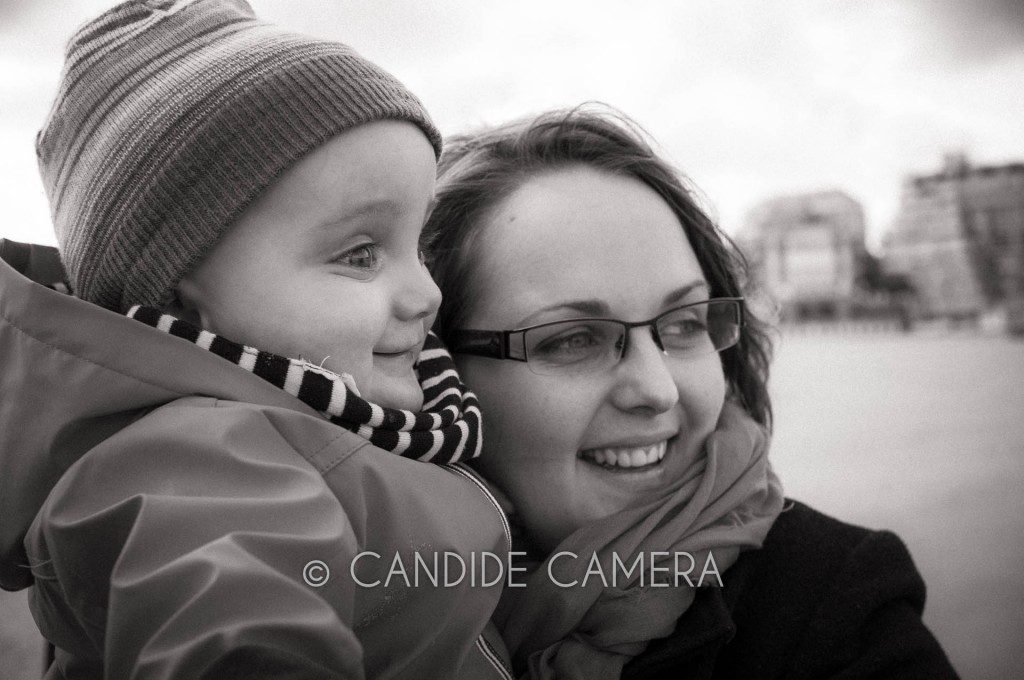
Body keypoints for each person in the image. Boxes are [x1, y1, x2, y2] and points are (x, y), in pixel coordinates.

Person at [0, 1, 512, 678]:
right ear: (182, 295)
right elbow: (236, 630)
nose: (428, 294)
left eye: (416, 244)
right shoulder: (191, 461)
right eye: (360, 254)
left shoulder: (359, 422)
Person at [424, 106, 960, 679]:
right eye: (573, 339)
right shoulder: (348, 595)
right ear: (435, 366)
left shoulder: (838, 609)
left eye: (684, 323)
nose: (657, 391)